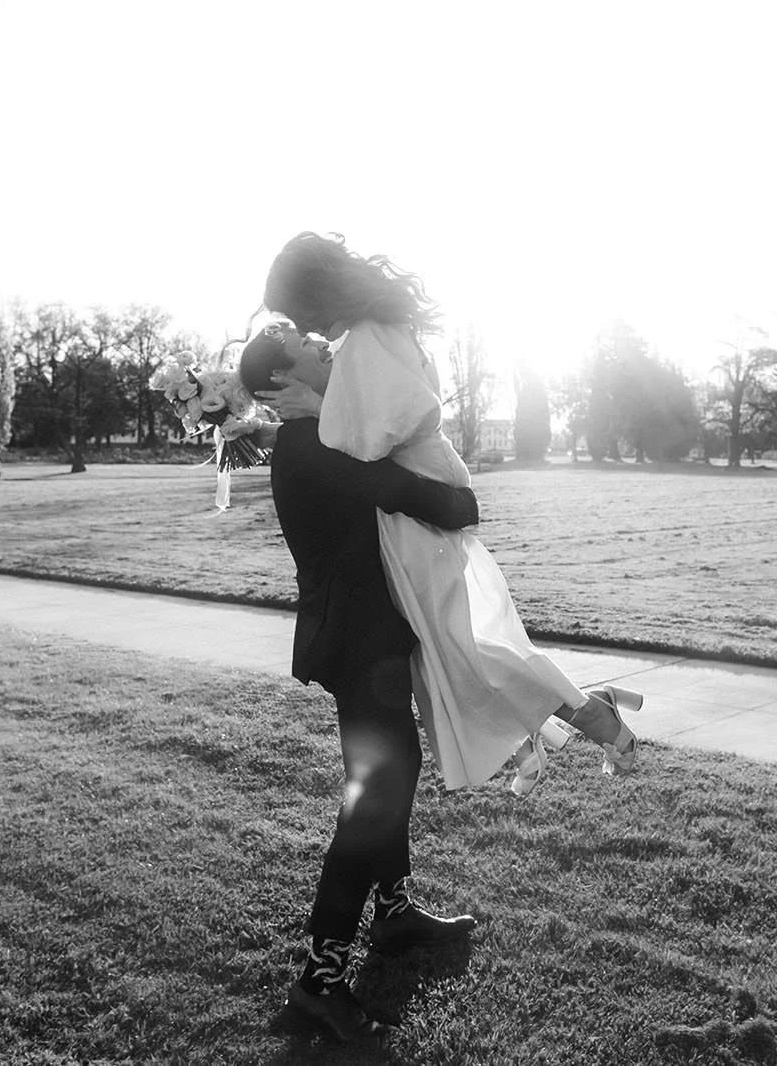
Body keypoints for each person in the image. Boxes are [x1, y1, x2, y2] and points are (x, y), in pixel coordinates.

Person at [250, 232, 642, 797]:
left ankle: (591, 719)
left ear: (315, 295)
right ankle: (564, 720)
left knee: (466, 651)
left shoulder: (365, 342)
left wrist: (313, 409)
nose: (308, 329)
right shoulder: (377, 333)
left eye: (300, 313)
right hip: (417, 506)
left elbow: (368, 440)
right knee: (453, 653)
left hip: (416, 515)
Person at [238, 327, 481, 1043]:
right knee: (373, 799)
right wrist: (464, 505)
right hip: (354, 644)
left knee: (384, 783)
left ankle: (397, 912)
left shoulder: (323, 430)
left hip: (370, 638)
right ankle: (319, 980)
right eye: (301, 343)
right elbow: (393, 487)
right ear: (281, 381)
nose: (320, 342)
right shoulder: (306, 443)